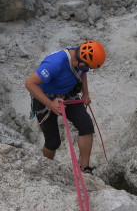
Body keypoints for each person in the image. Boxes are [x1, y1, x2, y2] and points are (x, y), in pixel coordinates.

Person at [25, 40, 106, 174]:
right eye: (89, 66)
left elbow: (83, 72)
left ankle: (85, 169)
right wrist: (51, 104)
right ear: (81, 61)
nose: (88, 69)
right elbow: (29, 84)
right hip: (45, 98)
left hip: (67, 94)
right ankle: (46, 169)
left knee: (86, 126)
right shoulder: (55, 63)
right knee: (53, 142)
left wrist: (85, 93)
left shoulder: (82, 57)